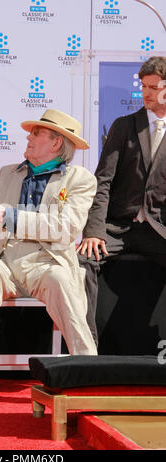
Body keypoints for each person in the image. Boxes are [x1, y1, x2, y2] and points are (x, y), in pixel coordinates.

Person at [0, 108, 98, 407]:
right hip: (5, 259)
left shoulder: (81, 179)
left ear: (56, 143)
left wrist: (14, 217)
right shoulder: (8, 173)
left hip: (46, 263)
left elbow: (66, 228)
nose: (28, 138)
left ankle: (89, 371)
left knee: (60, 279)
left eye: (36, 134)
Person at [78, 56, 166, 343]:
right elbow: (102, 181)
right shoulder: (124, 125)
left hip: (158, 230)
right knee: (82, 261)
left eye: (154, 87)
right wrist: (94, 231)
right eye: (144, 86)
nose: (146, 93)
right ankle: (86, 349)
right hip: (119, 227)